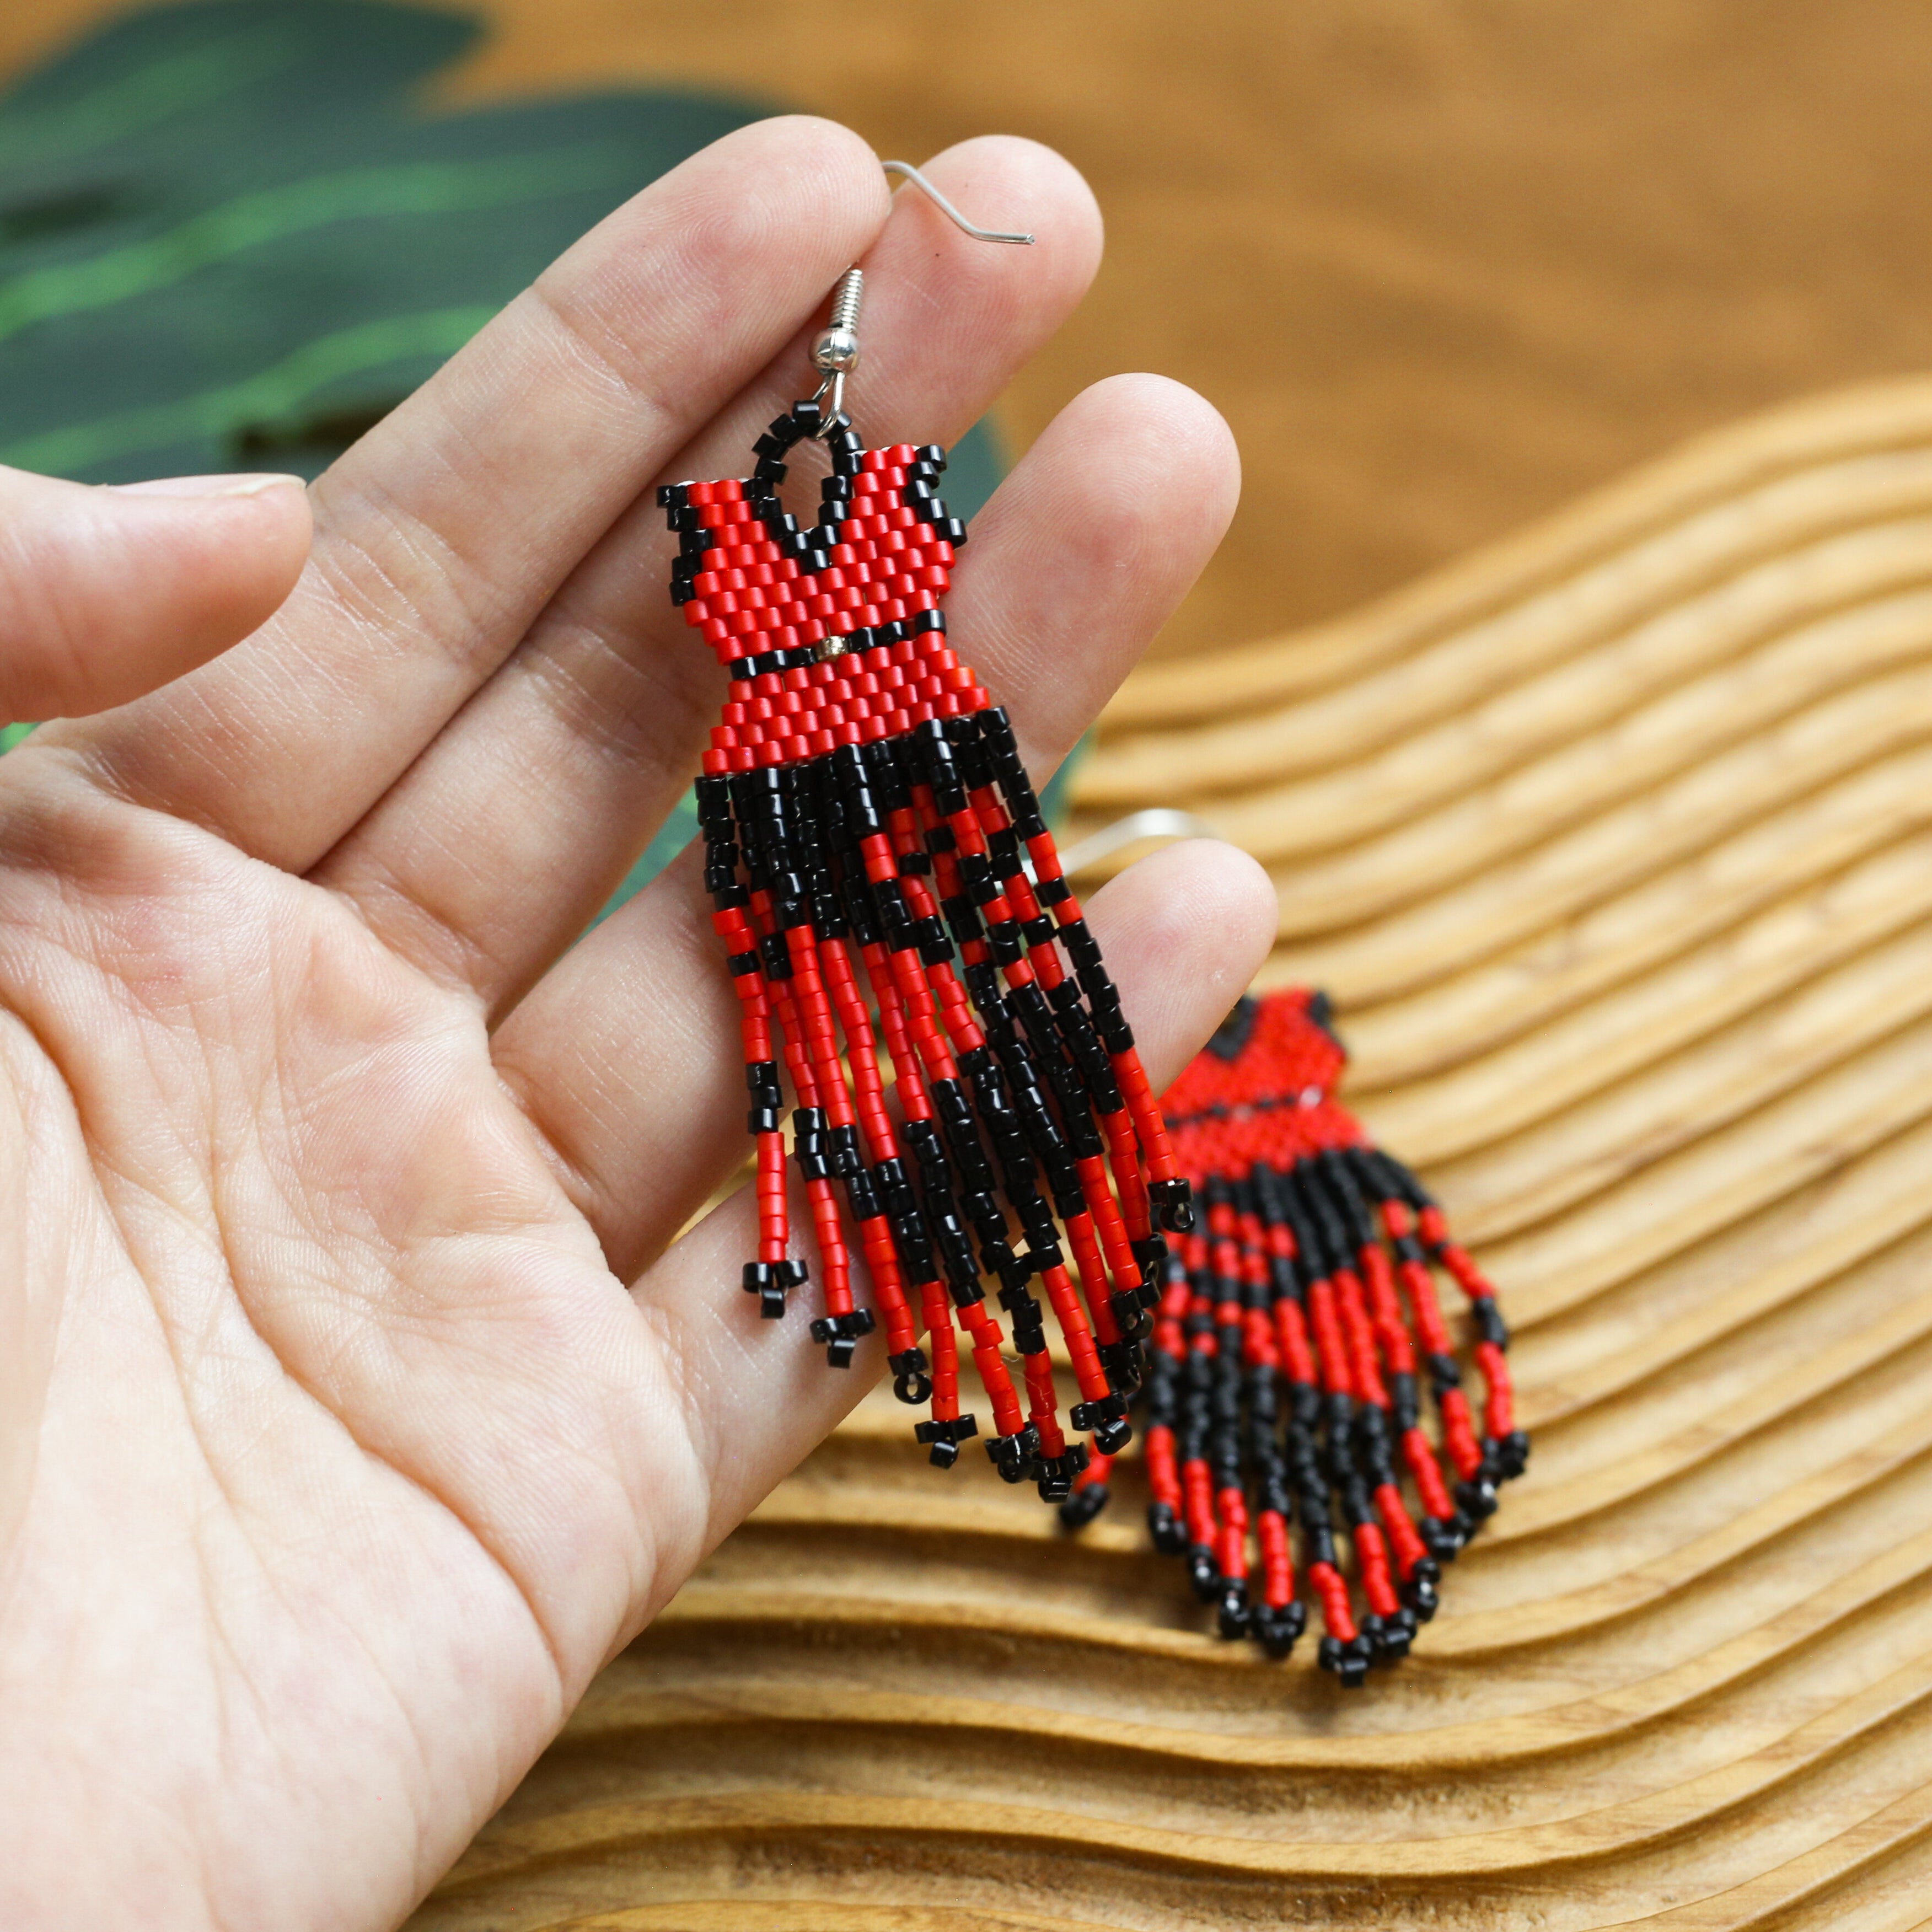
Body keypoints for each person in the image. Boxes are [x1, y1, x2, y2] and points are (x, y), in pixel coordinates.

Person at [0, 119, 1273, 1929]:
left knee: (936, 1100)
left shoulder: (820, 537)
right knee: (865, 1086)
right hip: (802, 794)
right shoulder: (742, 533)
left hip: (904, 776)